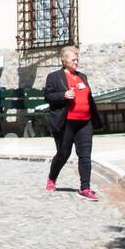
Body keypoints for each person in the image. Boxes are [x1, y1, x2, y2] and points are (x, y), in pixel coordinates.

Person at [44, 45, 102, 199]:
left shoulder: (82, 76)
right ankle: (52, 178)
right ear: (64, 61)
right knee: (63, 154)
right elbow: (48, 97)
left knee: (85, 155)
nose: (76, 62)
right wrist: (63, 95)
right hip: (66, 122)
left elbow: (88, 97)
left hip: (84, 122)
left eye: (77, 59)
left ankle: (85, 188)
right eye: (73, 59)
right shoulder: (54, 77)